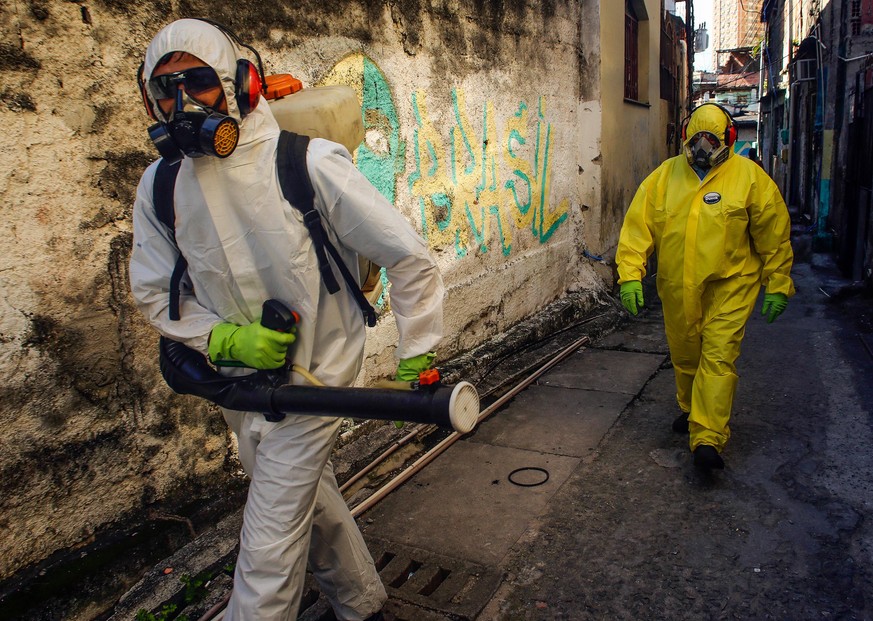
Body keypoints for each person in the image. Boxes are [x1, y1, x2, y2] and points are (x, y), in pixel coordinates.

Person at [129, 18, 444, 620]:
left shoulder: (306, 161)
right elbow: (153, 288)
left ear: (238, 84)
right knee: (308, 501)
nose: (182, 104)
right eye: (164, 91)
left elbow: (405, 253)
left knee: (269, 543)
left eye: (196, 83)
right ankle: (362, 605)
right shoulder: (162, 185)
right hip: (241, 383)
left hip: (319, 379)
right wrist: (221, 336)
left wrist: (418, 349)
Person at [615, 103, 794, 472]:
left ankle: (708, 437)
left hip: (731, 285)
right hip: (678, 285)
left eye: (711, 139)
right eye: (697, 138)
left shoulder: (750, 179)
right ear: (686, 137)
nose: (702, 146)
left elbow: (773, 235)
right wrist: (630, 275)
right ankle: (690, 408)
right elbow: (637, 229)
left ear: (727, 139)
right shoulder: (664, 178)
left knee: (717, 357)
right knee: (685, 355)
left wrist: (778, 282)